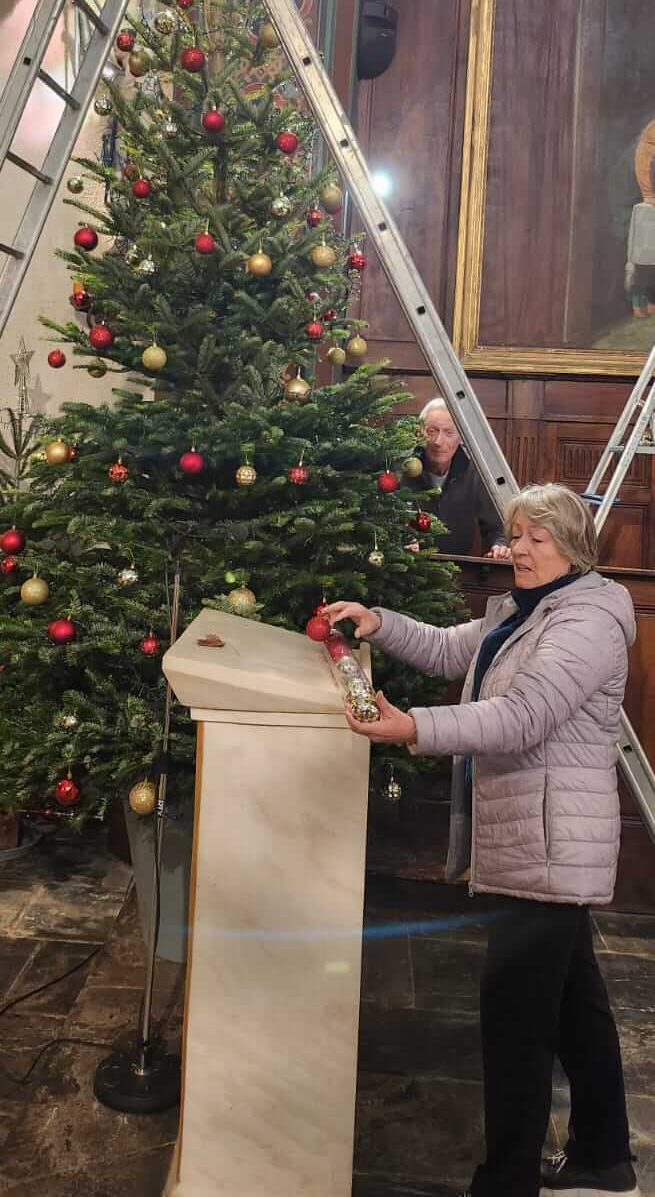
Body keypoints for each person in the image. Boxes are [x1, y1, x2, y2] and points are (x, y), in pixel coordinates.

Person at [325, 484, 638, 1197]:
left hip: (548, 846)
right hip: (537, 841)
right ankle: (604, 1155)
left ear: (573, 548)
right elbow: (447, 649)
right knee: (574, 1008)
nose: (517, 549)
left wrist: (414, 727)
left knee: (515, 1024)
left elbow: (522, 717)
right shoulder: (522, 611)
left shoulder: (586, 620)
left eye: (536, 538)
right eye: (515, 534)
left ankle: (505, 1183)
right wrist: (377, 622)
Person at [415, 397, 511, 560]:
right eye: (432, 431)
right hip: (406, 565)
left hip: (455, 566)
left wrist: (500, 545)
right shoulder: (400, 467)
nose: (439, 441)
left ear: (461, 437)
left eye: (449, 433)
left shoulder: (475, 470)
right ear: (419, 432)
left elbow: (498, 528)